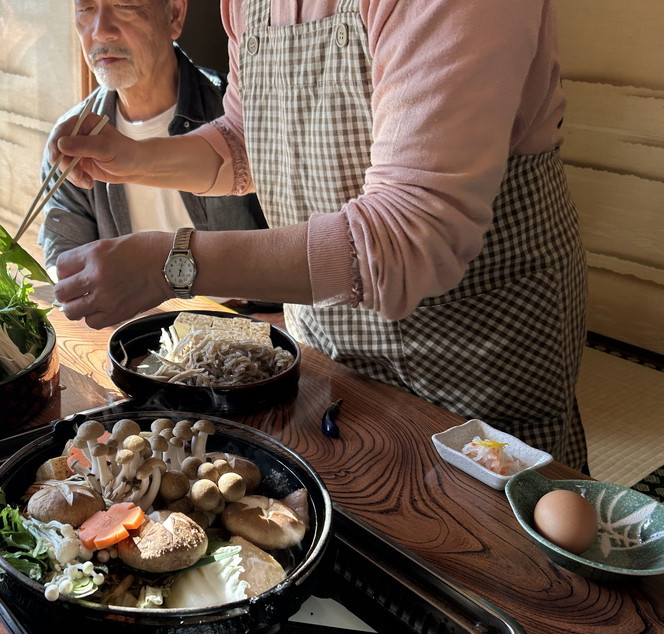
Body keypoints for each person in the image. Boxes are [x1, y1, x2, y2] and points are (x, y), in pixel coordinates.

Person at [47, 0, 588, 471]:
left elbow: (408, 233)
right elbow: (245, 141)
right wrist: (131, 158)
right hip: (326, 335)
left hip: (471, 344)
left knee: (485, 543)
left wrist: (172, 264)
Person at [38, 0, 266, 278]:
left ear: (174, 14)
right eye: (85, 9)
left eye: (124, 5)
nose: (100, 31)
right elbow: (64, 264)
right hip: (126, 309)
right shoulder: (73, 143)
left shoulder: (241, 120)